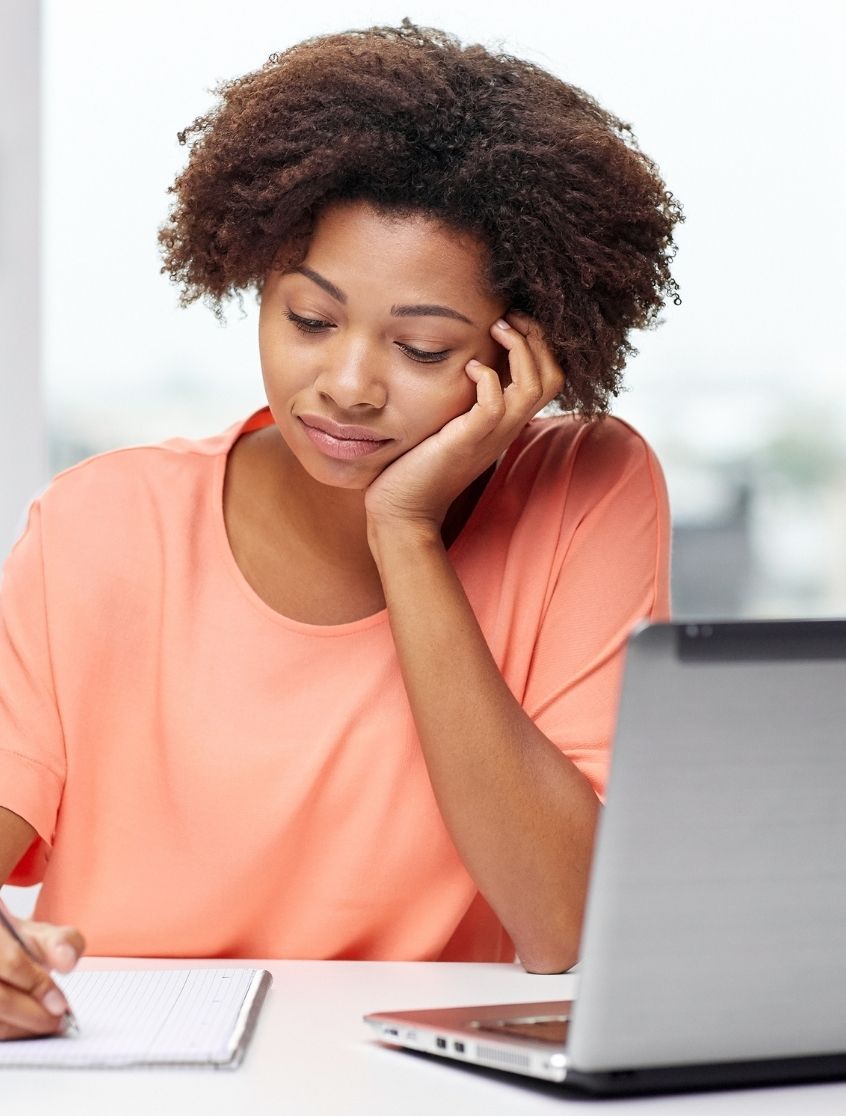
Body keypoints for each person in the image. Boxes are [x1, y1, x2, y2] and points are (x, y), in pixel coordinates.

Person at [0, 19, 681, 1039]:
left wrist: (403, 530)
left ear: (527, 349)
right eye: (309, 322)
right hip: (118, 1076)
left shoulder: (589, 487)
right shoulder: (103, 524)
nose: (347, 385)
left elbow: (565, 923)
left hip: (423, 1089)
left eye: (418, 347)